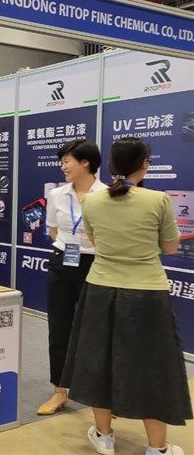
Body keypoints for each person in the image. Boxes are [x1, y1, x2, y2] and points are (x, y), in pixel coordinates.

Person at [61, 137, 192, 455]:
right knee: (153, 366)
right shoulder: (158, 200)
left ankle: (104, 436)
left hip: (100, 290)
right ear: (144, 164)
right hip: (146, 294)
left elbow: (96, 241)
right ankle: (157, 448)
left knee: (98, 361)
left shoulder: (92, 201)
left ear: (110, 165)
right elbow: (170, 247)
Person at [37, 139, 107, 416]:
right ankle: (59, 391)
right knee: (59, 328)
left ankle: (100, 394)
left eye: (67, 161)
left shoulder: (107, 194)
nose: (63, 166)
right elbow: (53, 231)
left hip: (96, 264)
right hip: (63, 263)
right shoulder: (57, 194)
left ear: (85, 162)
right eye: (62, 162)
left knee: (97, 330)